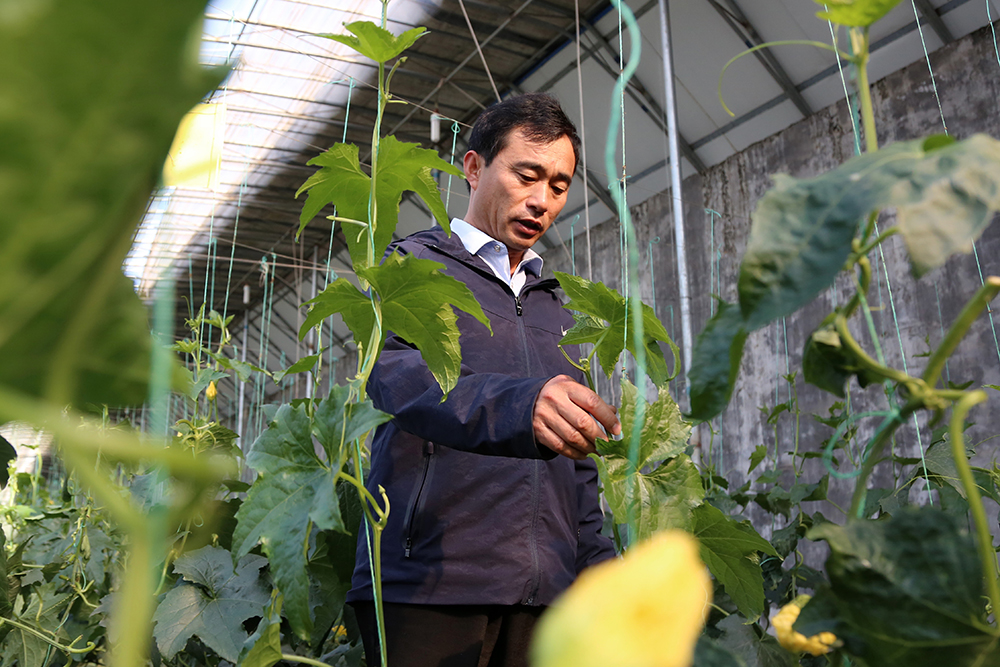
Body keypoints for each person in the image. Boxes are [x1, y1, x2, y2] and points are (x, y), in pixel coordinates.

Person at [347, 93, 620, 667]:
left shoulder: (557, 308)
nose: (542, 200)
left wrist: (600, 575)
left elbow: (578, 465)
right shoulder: (412, 266)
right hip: (429, 587)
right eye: (527, 175)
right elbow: (398, 376)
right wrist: (521, 407)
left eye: (559, 186)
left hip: (547, 599)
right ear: (474, 168)